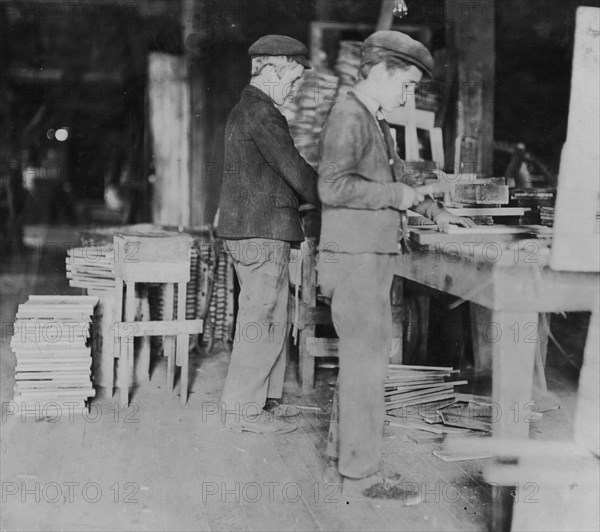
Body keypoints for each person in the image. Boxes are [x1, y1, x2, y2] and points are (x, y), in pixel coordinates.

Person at [317, 31, 474, 498]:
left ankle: (341, 455)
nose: (408, 95)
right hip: (356, 259)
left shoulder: (373, 118)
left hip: (370, 256)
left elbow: (394, 175)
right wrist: (397, 196)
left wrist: (434, 210)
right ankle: (362, 475)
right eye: (405, 84)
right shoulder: (348, 116)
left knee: (363, 363)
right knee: (367, 366)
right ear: (382, 71)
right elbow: (332, 188)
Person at [217, 35, 320, 434]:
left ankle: (261, 402)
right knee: (260, 321)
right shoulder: (264, 114)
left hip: (252, 231)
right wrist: (334, 197)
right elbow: (293, 168)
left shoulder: (247, 110)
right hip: (261, 233)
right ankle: (243, 411)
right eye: (293, 80)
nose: (295, 90)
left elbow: (274, 176)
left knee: (270, 319)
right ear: (272, 70)